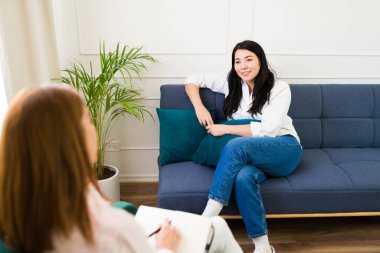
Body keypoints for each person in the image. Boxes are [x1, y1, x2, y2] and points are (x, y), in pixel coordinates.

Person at [0, 85, 242, 253]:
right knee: (218, 228)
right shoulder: (112, 229)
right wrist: (164, 245)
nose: (93, 126)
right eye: (86, 119)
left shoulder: (15, 211)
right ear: (73, 140)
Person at [185, 40, 303, 253]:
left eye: (249, 59)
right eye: (237, 61)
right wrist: (199, 107)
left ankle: (205, 221)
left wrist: (226, 129)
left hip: (283, 148)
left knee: (235, 146)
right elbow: (192, 79)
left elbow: (269, 130)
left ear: (261, 61)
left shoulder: (279, 88)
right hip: (253, 156)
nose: (243, 66)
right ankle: (263, 247)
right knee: (243, 177)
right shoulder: (231, 83)